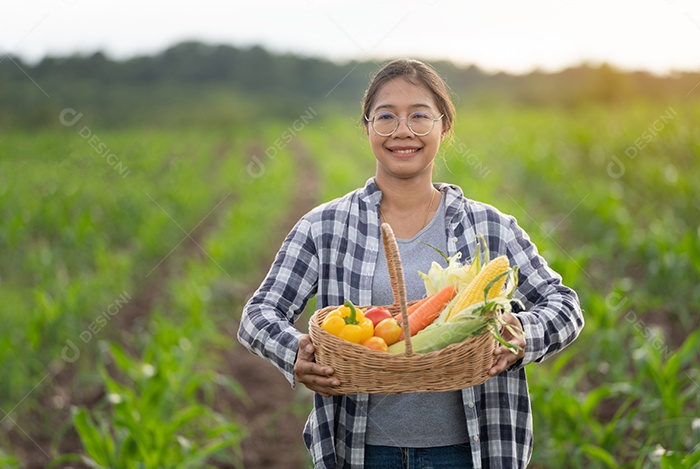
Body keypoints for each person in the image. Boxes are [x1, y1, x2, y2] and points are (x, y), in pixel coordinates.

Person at [237, 59, 584, 468]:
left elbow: (564, 305)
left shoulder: (490, 228)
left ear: (444, 126)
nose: (403, 131)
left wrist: (522, 333)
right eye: (386, 117)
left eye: (419, 116)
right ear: (367, 128)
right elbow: (258, 315)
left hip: (472, 451)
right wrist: (297, 352)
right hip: (362, 452)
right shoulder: (324, 227)